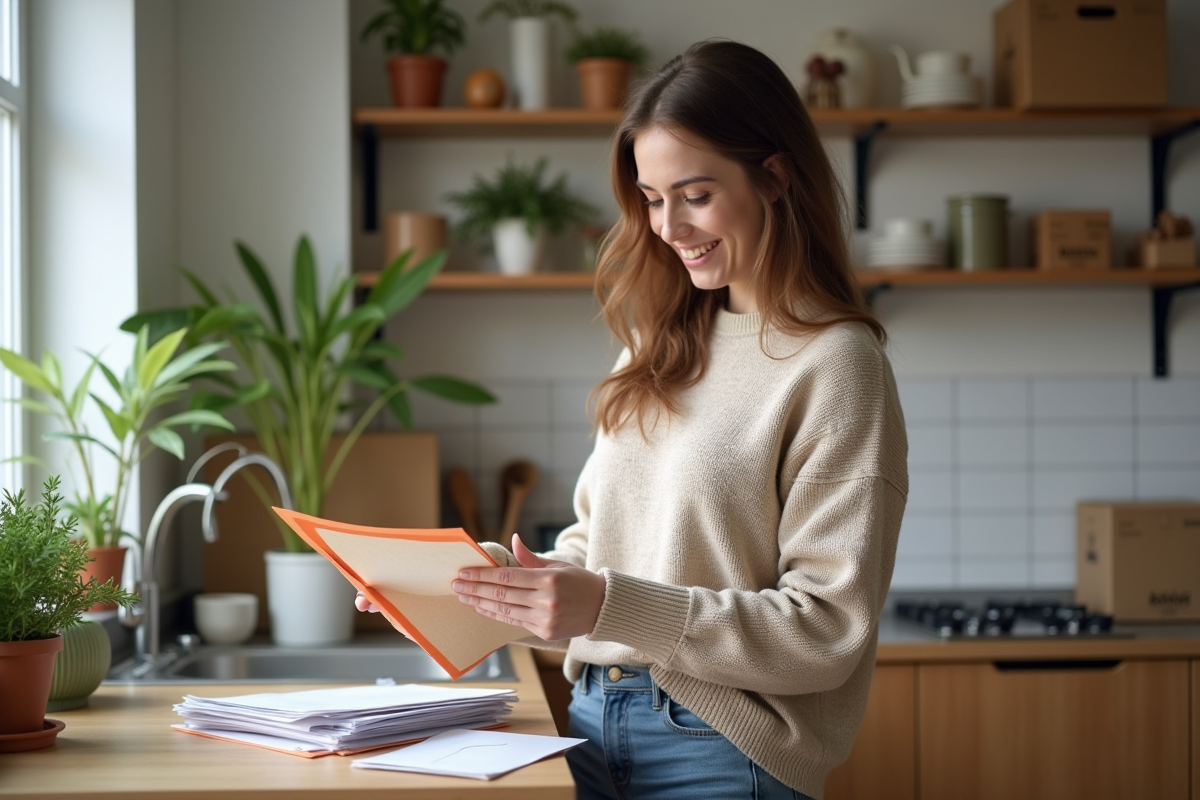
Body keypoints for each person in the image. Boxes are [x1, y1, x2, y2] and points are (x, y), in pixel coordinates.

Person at [358, 39, 907, 800]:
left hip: (720, 752)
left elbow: (824, 633)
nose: (668, 227)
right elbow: (600, 542)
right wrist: (479, 581)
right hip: (589, 720)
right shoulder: (656, 345)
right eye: (651, 199)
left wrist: (609, 603)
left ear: (774, 177)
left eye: (695, 194)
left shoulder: (837, 364)